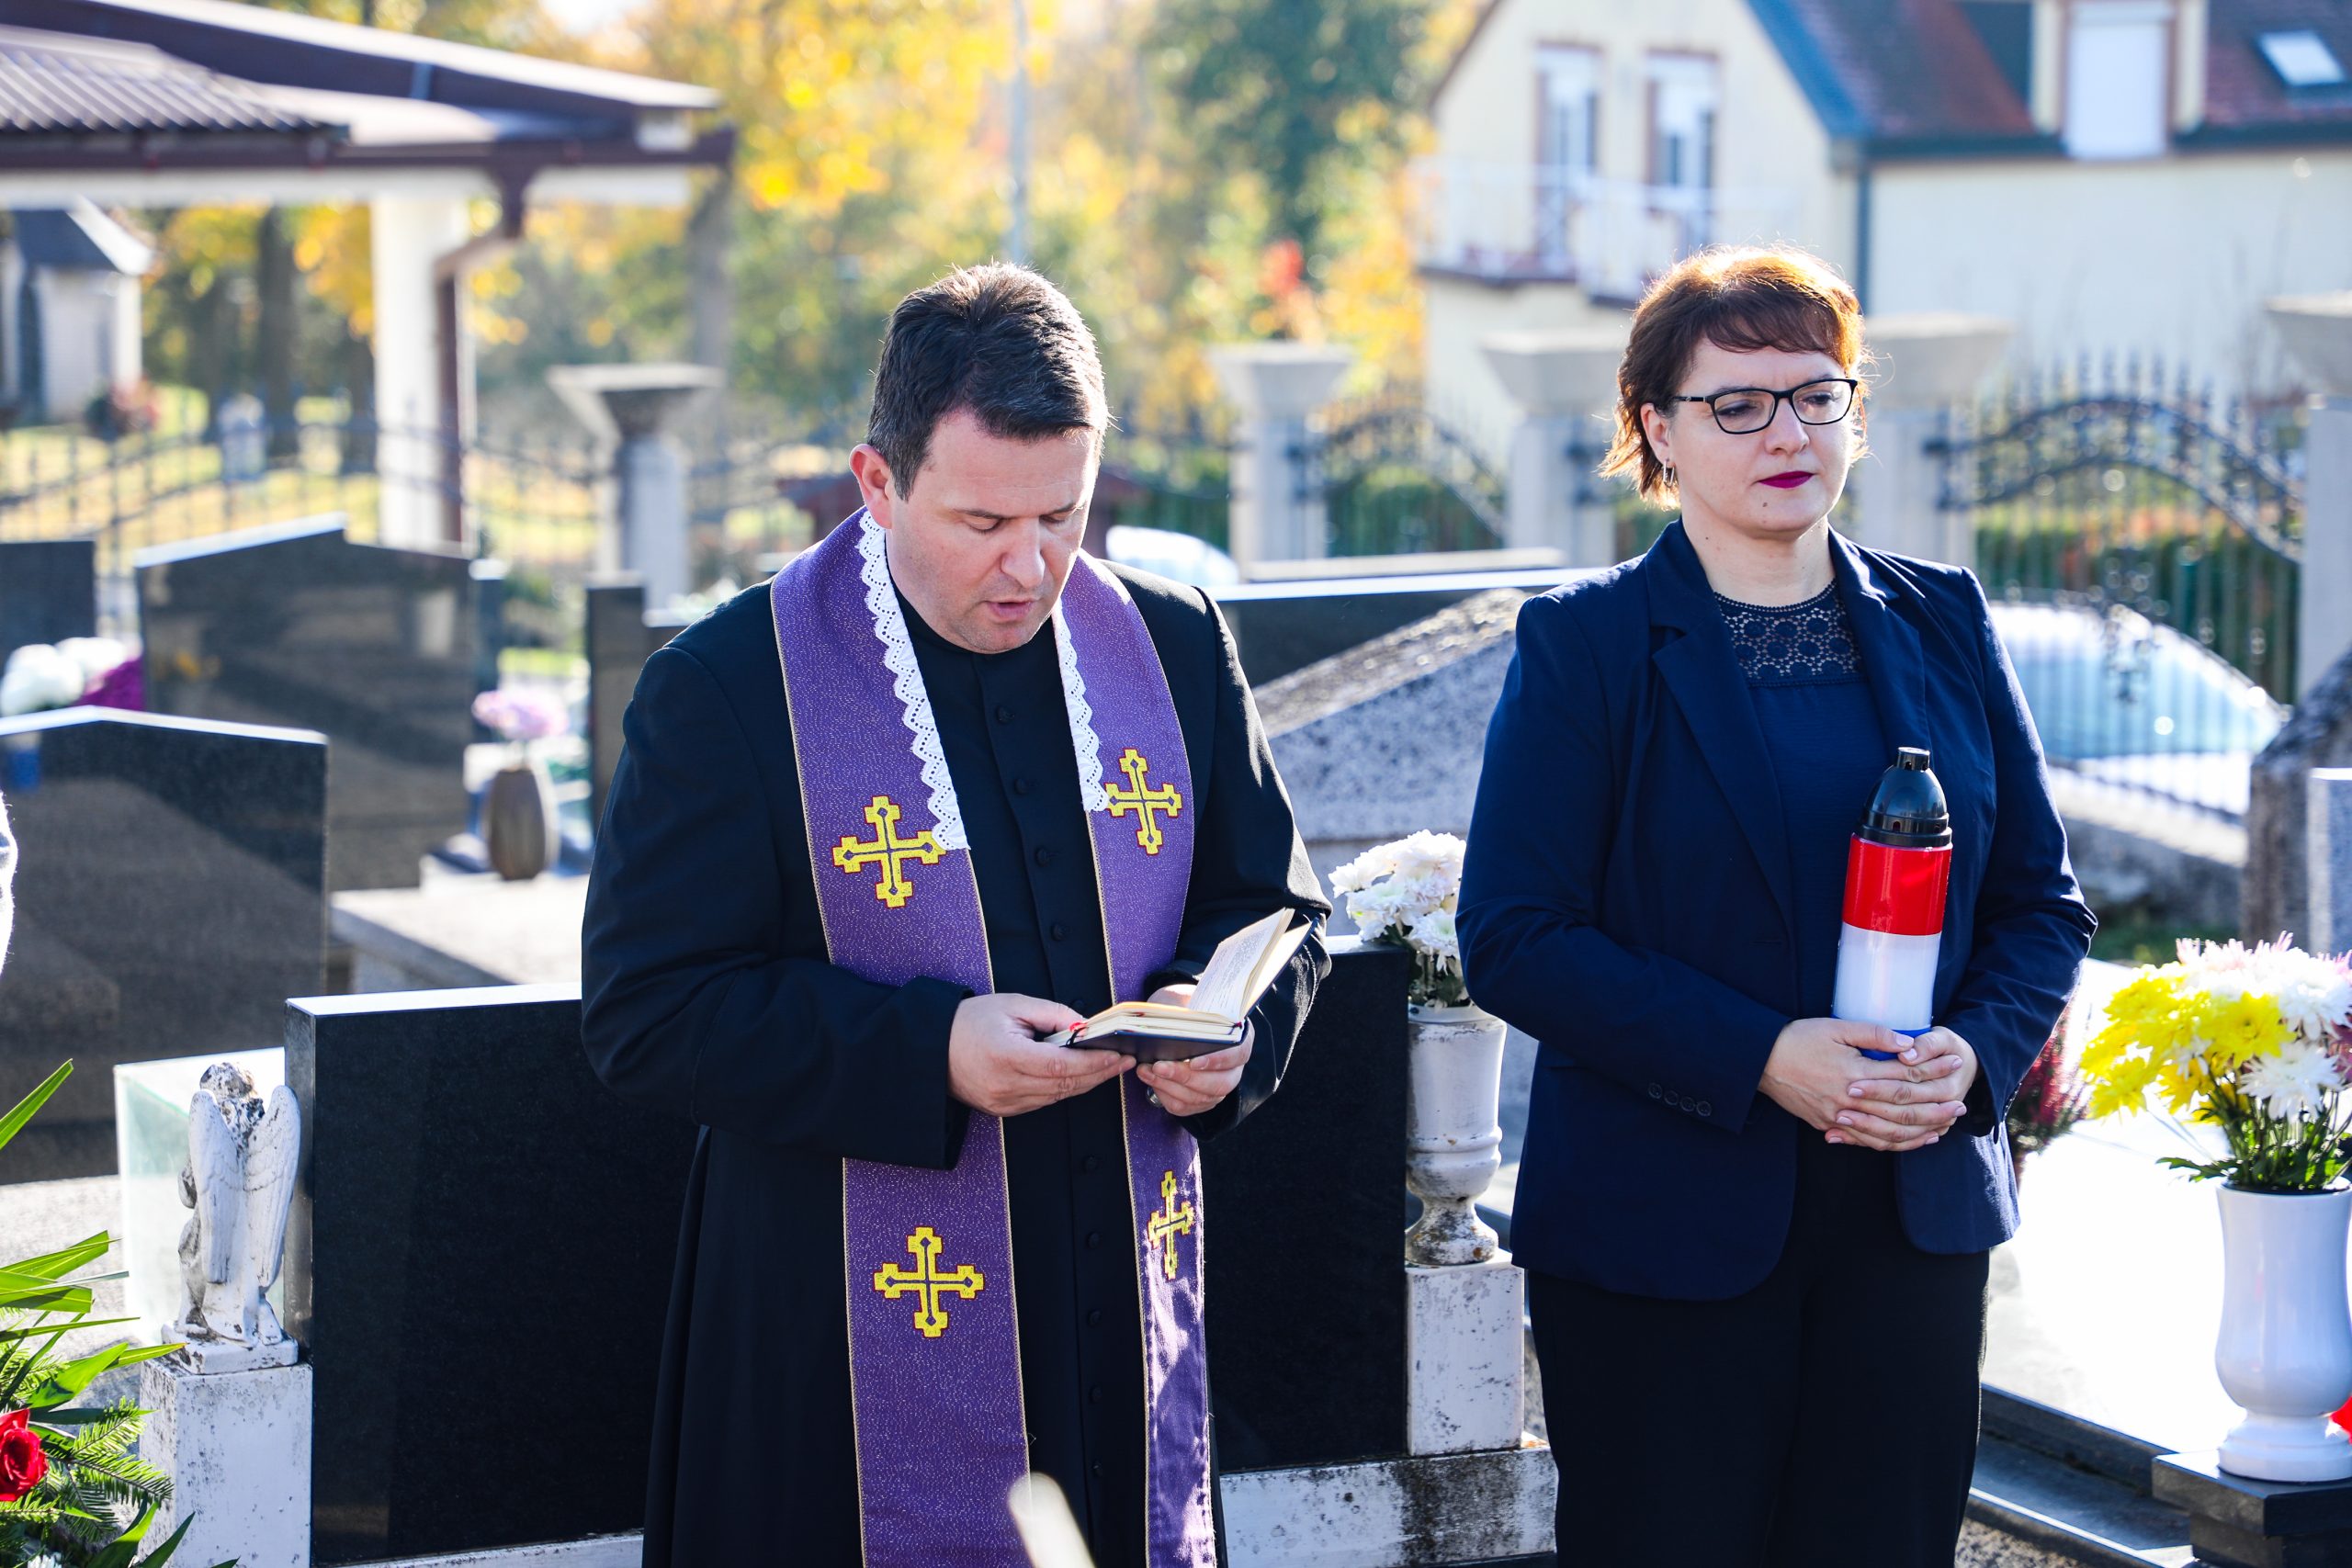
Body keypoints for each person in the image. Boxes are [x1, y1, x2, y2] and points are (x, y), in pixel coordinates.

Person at [581, 263, 1329, 1568]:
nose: (1030, 566)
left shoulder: (1171, 643)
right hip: (834, 1345)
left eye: (1065, 515)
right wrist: (928, 1051)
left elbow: (1276, 908)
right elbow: (646, 1012)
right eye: (983, 520)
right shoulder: (729, 686)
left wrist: (1230, 1035)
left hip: (1117, 1310)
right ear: (877, 483)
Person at [1455, 245, 2095, 1568]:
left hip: (1910, 1219)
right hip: (1664, 1226)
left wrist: (1973, 1055)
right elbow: (1515, 935)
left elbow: (2043, 904)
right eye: (1737, 405)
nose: (1788, 434)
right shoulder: (1587, 643)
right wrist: (1764, 1056)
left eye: (1817, 395)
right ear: (1657, 429)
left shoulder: (1946, 619)